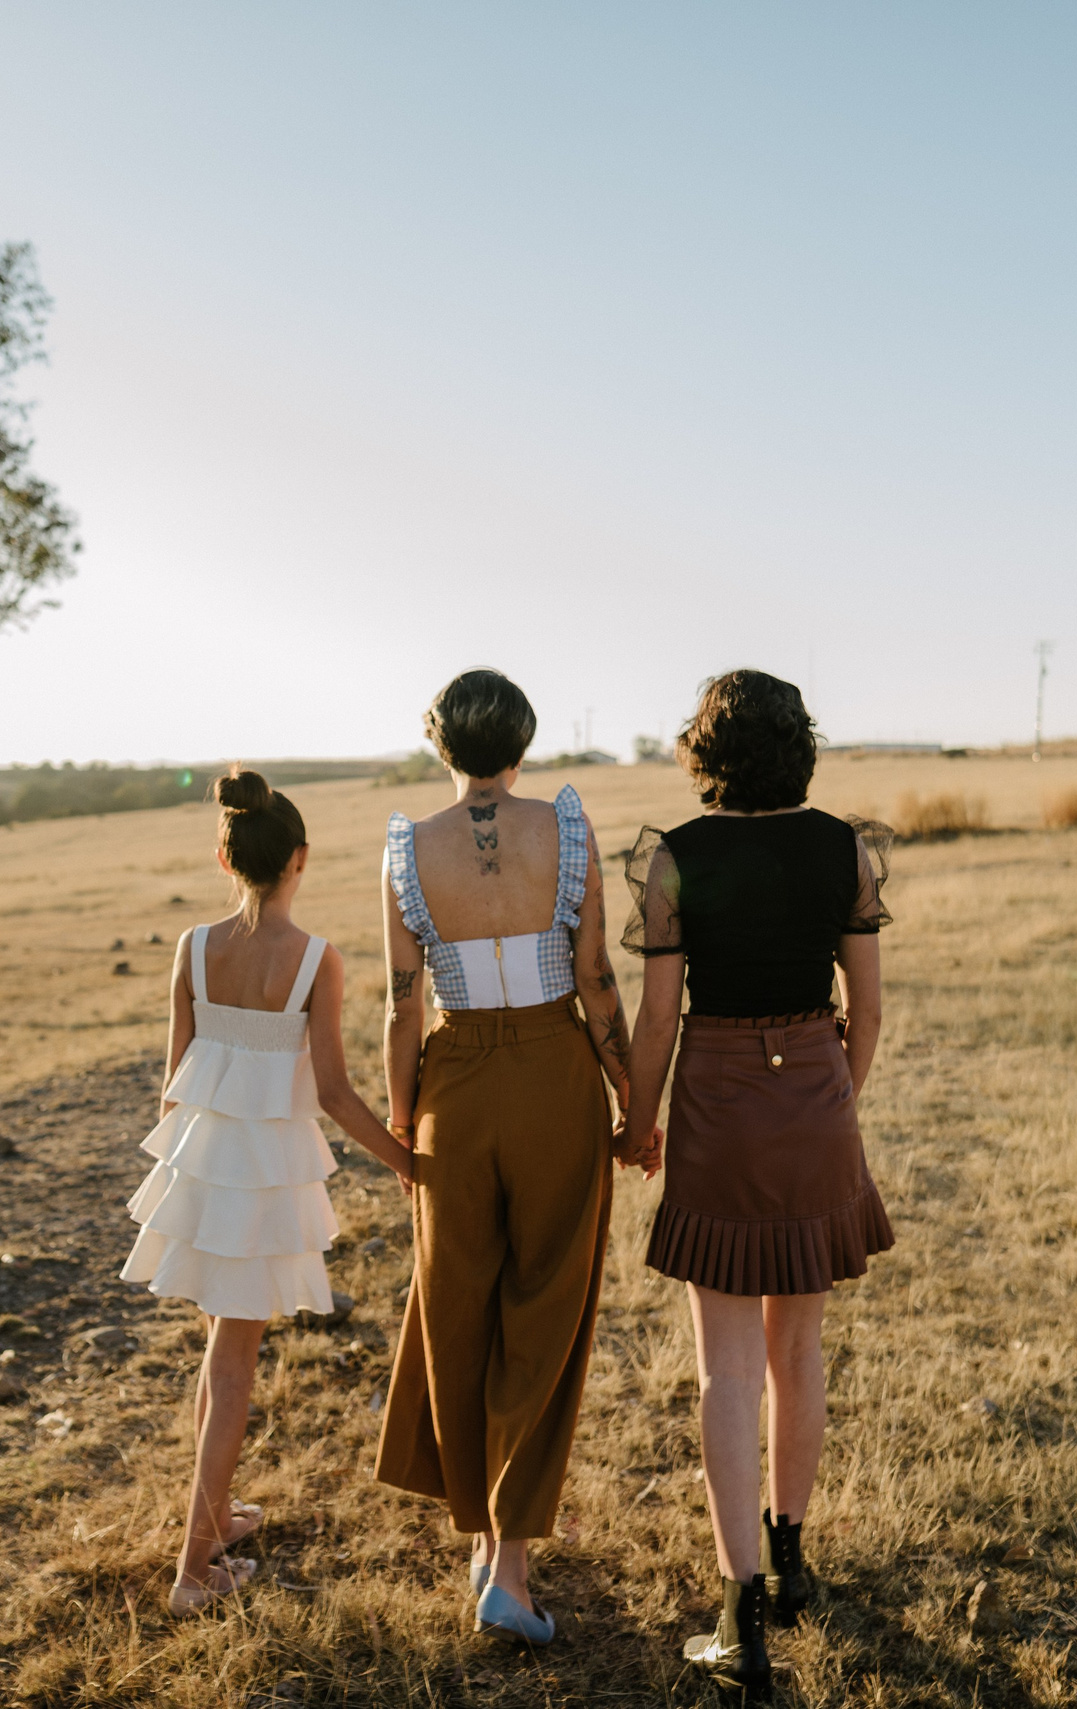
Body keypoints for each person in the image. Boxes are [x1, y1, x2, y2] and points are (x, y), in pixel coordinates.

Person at [621, 669, 897, 1692]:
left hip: (719, 1100)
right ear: (801, 745)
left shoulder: (673, 859)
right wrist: (838, 1100)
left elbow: (657, 1018)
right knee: (799, 1344)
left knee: (726, 1366)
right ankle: (789, 1557)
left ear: (707, 753)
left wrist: (636, 1120)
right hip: (816, 1093)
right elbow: (865, 1010)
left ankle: (741, 1609)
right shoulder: (846, 848)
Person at [372, 668, 637, 1646]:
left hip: (454, 1084)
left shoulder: (405, 847)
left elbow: (402, 1004)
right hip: (555, 1073)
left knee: (457, 1305)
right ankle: (508, 1570)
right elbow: (597, 978)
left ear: (440, 746)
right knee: (543, 1308)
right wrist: (634, 1101)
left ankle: (484, 1542)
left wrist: (405, 1123)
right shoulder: (565, 830)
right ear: (523, 741)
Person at [121, 768, 417, 1616]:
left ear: (225, 856)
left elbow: (173, 1077)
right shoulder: (316, 960)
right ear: (301, 860)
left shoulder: (192, 948)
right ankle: (192, 1571)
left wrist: (186, 1168)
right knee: (233, 1366)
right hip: (255, 1182)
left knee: (221, 1357)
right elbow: (333, 1092)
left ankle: (214, 1519)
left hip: (203, 1168)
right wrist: (407, 1159)